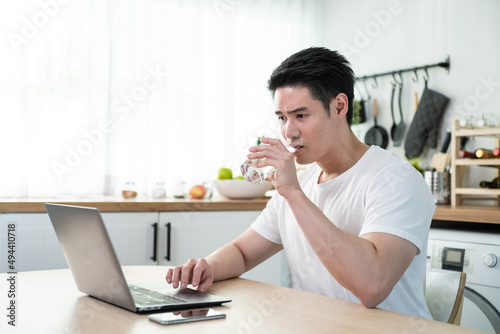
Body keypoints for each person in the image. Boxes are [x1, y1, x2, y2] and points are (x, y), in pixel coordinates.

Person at [166, 47, 434, 318]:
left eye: (300, 116)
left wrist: (294, 193)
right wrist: (207, 267)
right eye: (282, 118)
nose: (288, 132)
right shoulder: (299, 180)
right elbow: (243, 253)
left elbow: (372, 286)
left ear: (339, 106)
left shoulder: (396, 180)